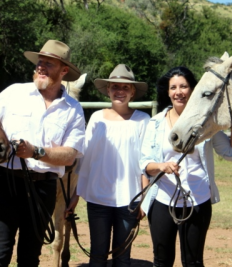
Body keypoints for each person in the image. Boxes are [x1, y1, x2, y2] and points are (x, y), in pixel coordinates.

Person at [0, 40, 86, 267]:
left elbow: (70, 155)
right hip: (5, 184)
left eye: (48, 64)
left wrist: (35, 152)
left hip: (43, 189)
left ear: (64, 71)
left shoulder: (73, 110)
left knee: (30, 258)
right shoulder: (13, 94)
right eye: (40, 62)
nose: (40, 67)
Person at [140, 66, 232, 267]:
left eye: (184, 86)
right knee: (161, 261)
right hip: (162, 200)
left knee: (193, 262)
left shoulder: (206, 124)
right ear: (168, 92)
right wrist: (162, 166)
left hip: (197, 200)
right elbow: (144, 164)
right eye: (173, 87)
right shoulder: (155, 123)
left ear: (193, 89)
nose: (178, 91)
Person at [65, 64, 150, 267]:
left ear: (133, 92)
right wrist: (75, 196)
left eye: (125, 87)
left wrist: (144, 198)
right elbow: (86, 160)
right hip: (98, 198)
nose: (120, 91)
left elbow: (145, 162)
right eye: (115, 87)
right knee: (97, 255)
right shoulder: (96, 119)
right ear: (108, 90)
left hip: (129, 199)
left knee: (122, 257)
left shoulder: (143, 121)